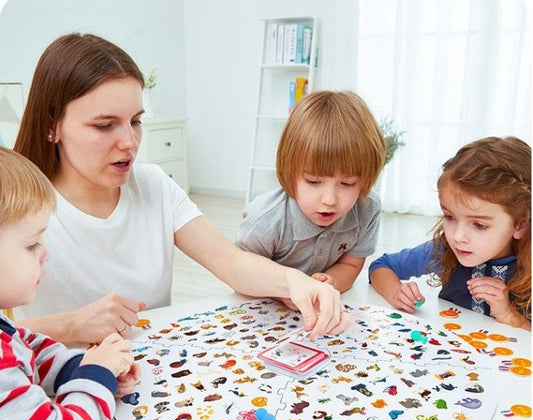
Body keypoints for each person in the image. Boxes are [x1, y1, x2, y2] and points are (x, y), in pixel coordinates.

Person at [13, 33, 351, 345]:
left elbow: (229, 261)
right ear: (51, 126)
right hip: (58, 392)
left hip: (149, 372)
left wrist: (295, 281)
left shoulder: (154, 185)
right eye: (105, 125)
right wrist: (71, 325)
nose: (130, 142)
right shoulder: (17, 208)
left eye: (136, 121)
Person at [0, 147, 140, 420]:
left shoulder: (2, 328)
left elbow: (27, 346)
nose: (45, 255)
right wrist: (95, 375)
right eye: (32, 245)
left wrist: (82, 367)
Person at [236, 90, 386, 309]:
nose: (329, 200)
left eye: (347, 184)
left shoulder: (367, 209)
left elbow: (351, 265)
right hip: (265, 310)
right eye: (314, 182)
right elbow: (241, 274)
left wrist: (331, 283)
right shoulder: (266, 218)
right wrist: (283, 291)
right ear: (289, 172)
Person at [368, 136, 531, 330]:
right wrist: (396, 292)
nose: (458, 236)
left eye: (479, 225)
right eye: (450, 217)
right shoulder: (444, 250)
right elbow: (381, 266)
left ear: (520, 225)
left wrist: (508, 315)